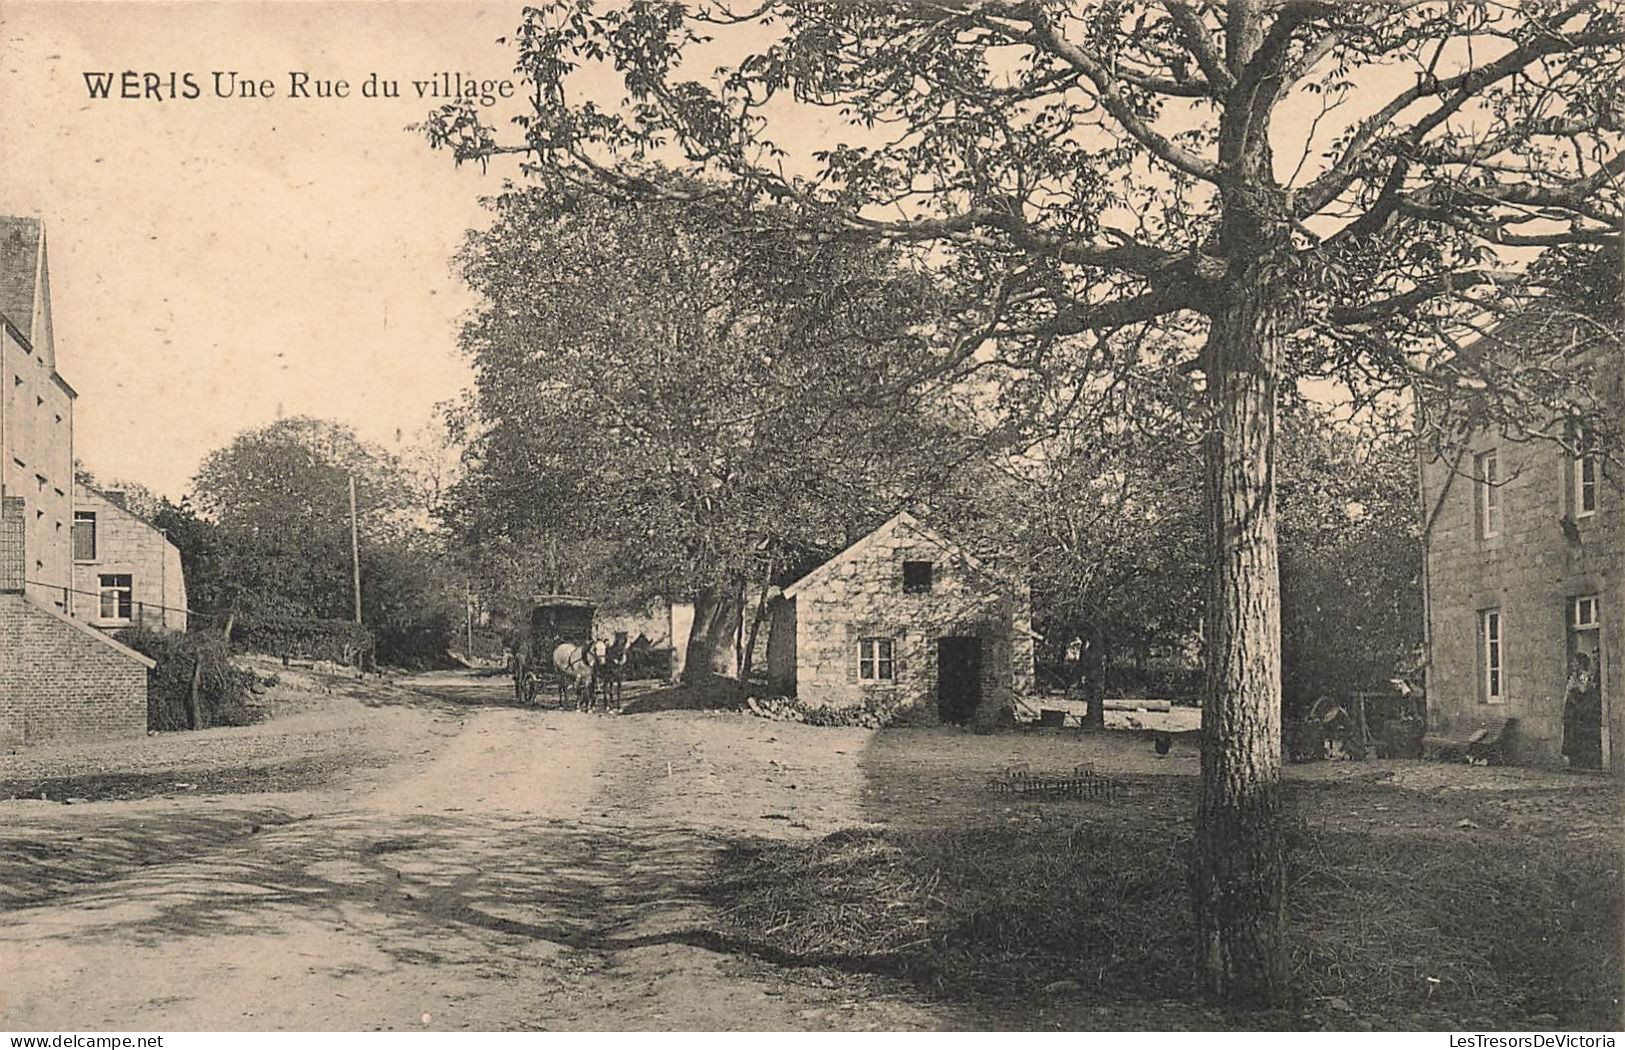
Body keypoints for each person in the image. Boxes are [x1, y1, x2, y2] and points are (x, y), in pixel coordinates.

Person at [1562, 652, 1603, 771]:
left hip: (1580, 712)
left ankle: (1581, 761)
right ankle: (1572, 760)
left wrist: (1575, 686)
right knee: (1570, 735)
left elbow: (1583, 690)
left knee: (1580, 736)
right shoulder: (1573, 677)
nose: (1573, 665)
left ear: (1580, 664)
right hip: (1571, 712)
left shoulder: (1584, 676)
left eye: (1575, 663)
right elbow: (1568, 692)